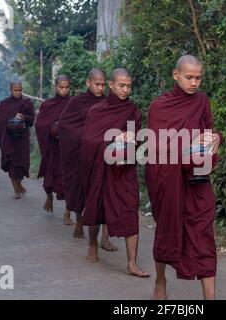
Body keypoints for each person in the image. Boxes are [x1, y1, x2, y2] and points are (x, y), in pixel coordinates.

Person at [145, 55, 222, 300]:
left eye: (199, 78)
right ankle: (160, 282)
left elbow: (208, 130)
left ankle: (210, 297)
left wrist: (215, 138)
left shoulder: (201, 102)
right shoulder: (159, 106)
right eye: (189, 77)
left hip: (197, 180)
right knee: (167, 231)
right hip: (168, 182)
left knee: (203, 235)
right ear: (175, 75)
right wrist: (188, 144)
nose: (194, 83)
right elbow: (157, 149)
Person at [81, 68, 149, 278]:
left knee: (130, 209)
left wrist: (131, 136)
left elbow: (138, 138)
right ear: (111, 85)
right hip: (100, 168)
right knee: (96, 206)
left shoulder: (132, 111)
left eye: (129, 86)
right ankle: (93, 244)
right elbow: (89, 141)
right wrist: (112, 139)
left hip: (124, 168)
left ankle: (131, 263)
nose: (126, 90)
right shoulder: (97, 111)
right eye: (121, 85)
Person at [58, 69, 116, 248]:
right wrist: (86, 138)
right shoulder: (76, 102)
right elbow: (65, 125)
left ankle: (105, 238)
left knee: (105, 195)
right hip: (80, 154)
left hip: (103, 155)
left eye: (103, 84)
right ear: (88, 83)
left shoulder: (109, 103)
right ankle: (78, 221)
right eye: (96, 84)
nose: (100, 88)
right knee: (80, 190)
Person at [35, 75, 73, 225]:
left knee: (69, 182)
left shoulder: (73, 104)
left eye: (66, 87)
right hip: (52, 147)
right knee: (50, 177)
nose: (63, 90)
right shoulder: (47, 105)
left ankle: (67, 213)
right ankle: (49, 197)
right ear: (55, 86)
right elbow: (40, 125)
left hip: (68, 149)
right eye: (61, 87)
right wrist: (52, 127)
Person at [0, 81, 35, 199]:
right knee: (12, 164)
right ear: (10, 90)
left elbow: (32, 120)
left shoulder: (27, 103)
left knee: (21, 165)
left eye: (20, 90)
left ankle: (19, 184)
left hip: (22, 139)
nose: (18, 92)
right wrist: (10, 120)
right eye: (15, 90)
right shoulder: (4, 104)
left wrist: (23, 116)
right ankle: (16, 191)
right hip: (9, 139)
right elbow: (0, 121)